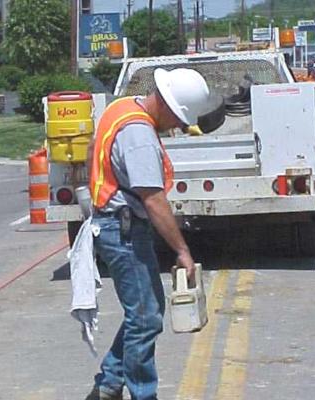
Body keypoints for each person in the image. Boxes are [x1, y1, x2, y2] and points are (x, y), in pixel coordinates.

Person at [86, 68, 211, 400]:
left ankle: (109, 385)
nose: (177, 127)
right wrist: (182, 250)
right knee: (144, 318)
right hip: (122, 229)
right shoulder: (139, 134)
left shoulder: (123, 107)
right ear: (169, 106)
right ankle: (142, 393)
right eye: (179, 120)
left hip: (115, 223)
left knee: (146, 310)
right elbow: (153, 200)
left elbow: (93, 154)